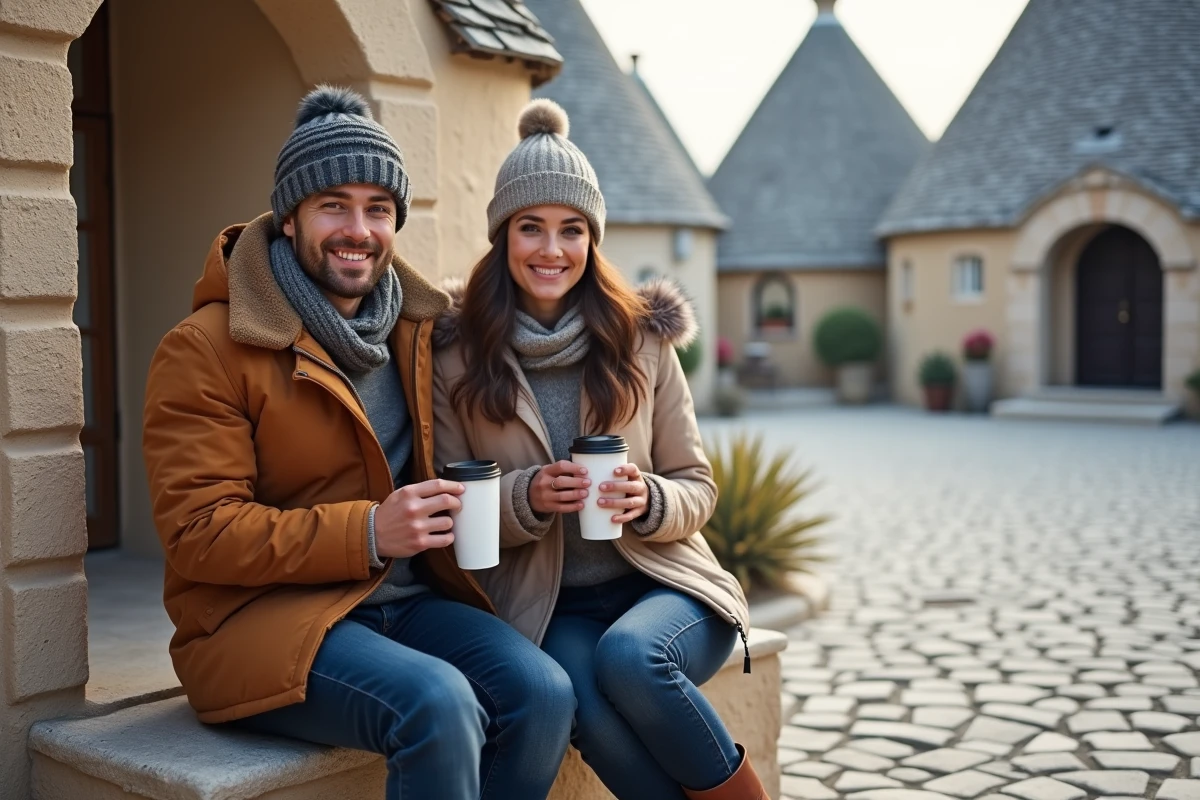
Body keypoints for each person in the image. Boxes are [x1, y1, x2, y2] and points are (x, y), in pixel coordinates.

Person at [142, 86, 574, 800]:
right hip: (258, 624)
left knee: (545, 693)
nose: (358, 229)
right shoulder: (205, 349)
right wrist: (373, 530)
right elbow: (198, 534)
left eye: (378, 209)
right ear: (290, 217)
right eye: (333, 205)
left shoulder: (415, 327)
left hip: (402, 604)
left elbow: (533, 311)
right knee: (437, 704)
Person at [432, 98, 768, 800]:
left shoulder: (641, 339)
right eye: (531, 228)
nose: (552, 250)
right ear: (502, 237)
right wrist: (525, 498)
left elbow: (697, 486)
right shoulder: (456, 355)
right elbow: (447, 505)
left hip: (666, 587)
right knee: (582, 705)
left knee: (632, 657)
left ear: (593, 239)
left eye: (572, 229)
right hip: (548, 605)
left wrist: (649, 499)